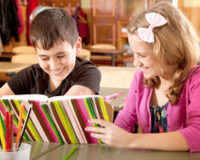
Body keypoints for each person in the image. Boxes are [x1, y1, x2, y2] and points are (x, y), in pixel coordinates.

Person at [85, 1, 200, 152]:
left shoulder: (195, 79)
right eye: (133, 53)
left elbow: (197, 134)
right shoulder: (141, 79)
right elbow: (126, 119)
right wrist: (107, 135)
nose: (135, 63)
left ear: (169, 51)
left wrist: (130, 140)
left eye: (142, 55)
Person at [0, 8, 101, 97]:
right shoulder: (31, 75)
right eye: (44, 58)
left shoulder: (89, 73)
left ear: (77, 46)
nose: (54, 66)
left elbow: (64, 108)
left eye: (61, 56)